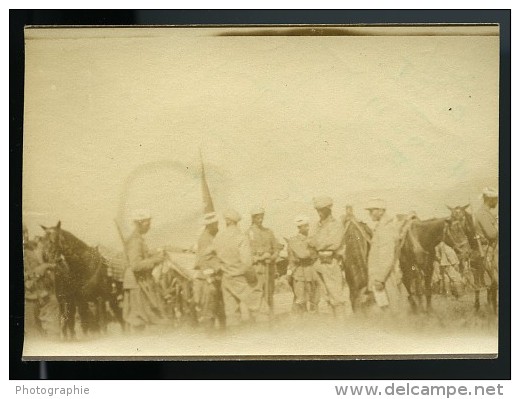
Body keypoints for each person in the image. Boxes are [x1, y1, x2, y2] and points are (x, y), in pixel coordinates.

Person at [122, 209, 166, 331]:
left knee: (141, 316)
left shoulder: (138, 239)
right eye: (147, 224)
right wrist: (155, 260)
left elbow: (142, 256)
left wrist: (153, 254)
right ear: (139, 224)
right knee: (138, 317)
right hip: (136, 283)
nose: (149, 226)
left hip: (138, 282)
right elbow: (135, 265)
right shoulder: (135, 241)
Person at [212, 209, 254, 327]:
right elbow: (247, 262)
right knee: (258, 306)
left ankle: (234, 340)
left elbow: (212, 255)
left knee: (231, 312)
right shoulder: (241, 237)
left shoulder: (219, 237)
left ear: (227, 221)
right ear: (236, 222)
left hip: (225, 277)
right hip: (239, 277)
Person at [308, 196, 348, 319]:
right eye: (317, 210)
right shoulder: (316, 225)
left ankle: (341, 325)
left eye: (322, 210)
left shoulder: (336, 225)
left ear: (329, 209)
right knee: (326, 296)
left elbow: (334, 243)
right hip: (318, 263)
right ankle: (334, 327)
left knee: (336, 296)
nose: (319, 213)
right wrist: (319, 243)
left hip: (331, 263)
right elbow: (309, 241)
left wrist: (317, 243)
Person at [365, 198, 406, 314]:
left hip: (384, 276)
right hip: (381, 275)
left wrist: (380, 279)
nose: (370, 214)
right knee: (385, 306)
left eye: (372, 210)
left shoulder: (385, 229)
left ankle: (397, 328)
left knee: (391, 306)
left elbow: (386, 257)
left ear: (381, 211)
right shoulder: (382, 227)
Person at [192, 212, 226, 330]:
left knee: (219, 310)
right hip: (208, 280)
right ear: (210, 225)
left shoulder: (210, 237)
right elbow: (205, 260)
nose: (218, 226)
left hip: (213, 278)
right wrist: (219, 267)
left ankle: (221, 336)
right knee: (209, 311)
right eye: (216, 224)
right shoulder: (205, 239)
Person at [247, 207, 280, 317]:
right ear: (253, 218)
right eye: (257, 217)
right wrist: (261, 258)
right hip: (257, 268)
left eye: (262, 217)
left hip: (269, 268)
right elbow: (247, 254)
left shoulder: (268, 232)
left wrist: (272, 257)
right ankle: (254, 320)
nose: (260, 219)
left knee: (269, 293)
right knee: (256, 293)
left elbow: (276, 248)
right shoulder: (248, 233)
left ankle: (271, 316)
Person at [341, 204, 372, 312]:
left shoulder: (359, 224)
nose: (349, 211)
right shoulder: (345, 224)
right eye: (347, 209)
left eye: (349, 209)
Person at [286, 215, 319, 314]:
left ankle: (314, 322)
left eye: (307, 225)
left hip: (312, 271)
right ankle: (300, 321)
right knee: (300, 299)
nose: (307, 228)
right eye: (305, 226)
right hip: (299, 271)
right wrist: (313, 252)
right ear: (299, 228)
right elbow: (302, 254)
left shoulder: (312, 239)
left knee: (315, 299)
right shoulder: (294, 240)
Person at [474, 187, 499, 312]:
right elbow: (492, 234)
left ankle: (493, 311)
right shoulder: (482, 213)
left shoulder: (486, 213)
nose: (497, 201)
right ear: (490, 199)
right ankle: (492, 311)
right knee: (494, 282)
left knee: (494, 284)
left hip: (492, 249)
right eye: (496, 199)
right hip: (488, 251)